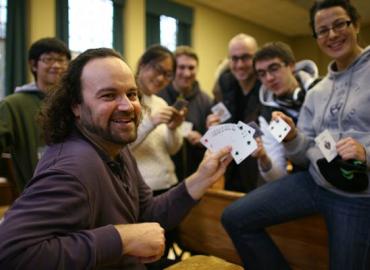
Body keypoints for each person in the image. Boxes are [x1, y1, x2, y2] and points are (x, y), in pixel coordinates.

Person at [0, 48, 233, 270]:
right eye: (109, 95)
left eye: (131, 94)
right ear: (76, 106)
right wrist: (121, 238)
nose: (127, 106)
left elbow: (147, 214)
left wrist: (202, 178)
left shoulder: (117, 149)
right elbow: (11, 253)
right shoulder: (72, 167)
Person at [222, 1, 370, 269]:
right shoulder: (318, 93)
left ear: (356, 24)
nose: (332, 35)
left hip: (357, 194)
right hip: (313, 182)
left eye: (339, 24)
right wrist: (292, 138)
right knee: (234, 217)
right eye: (323, 30)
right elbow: (305, 150)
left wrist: (366, 153)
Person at [0, 37, 71, 192]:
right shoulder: (13, 104)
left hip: (74, 188)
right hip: (34, 194)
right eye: (49, 59)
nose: (57, 65)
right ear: (33, 65)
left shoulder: (75, 103)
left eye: (62, 60)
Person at [252, 41, 320, 181]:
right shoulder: (268, 114)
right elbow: (277, 176)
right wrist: (264, 158)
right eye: (262, 74)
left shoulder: (322, 90)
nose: (269, 78)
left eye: (274, 68)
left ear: (292, 66)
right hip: (304, 178)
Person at [208, 33, 264, 192]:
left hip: (260, 170)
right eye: (234, 58)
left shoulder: (267, 86)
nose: (239, 64)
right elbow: (219, 118)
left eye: (246, 58)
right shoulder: (225, 84)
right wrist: (213, 125)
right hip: (231, 168)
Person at [130, 45, 185, 193]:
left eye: (168, 74)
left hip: (168, 182)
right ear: (142, 64)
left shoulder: (160, 102)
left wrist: (173, 128)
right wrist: (150, 122)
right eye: (157, 69)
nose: (161, 78)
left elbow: (172, 150)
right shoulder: (127, 100)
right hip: (142, 187)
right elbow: (121, 148)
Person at [158, 46, 213, 180]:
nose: (187, 73)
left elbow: (214, 140)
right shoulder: (159, 97)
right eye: (181, 67)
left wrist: (203, 140)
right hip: (165, 177)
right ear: (173, 69)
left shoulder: (206, 101)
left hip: (196, 177)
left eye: (191, 68)